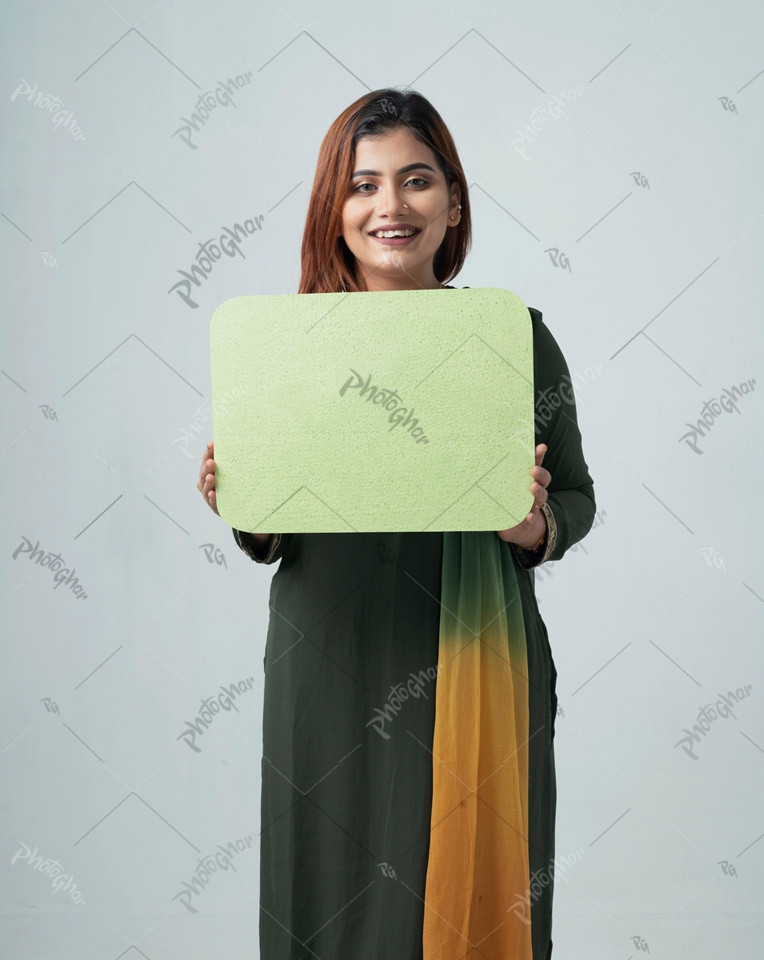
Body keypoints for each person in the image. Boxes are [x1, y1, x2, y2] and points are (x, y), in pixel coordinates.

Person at [197, 88, 596, 960]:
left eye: (416, 181)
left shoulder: (511, 339)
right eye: (363, 184)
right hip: (328, 654)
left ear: (452, 202)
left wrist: (533, 528)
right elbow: (269, 534)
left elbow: (576, 499)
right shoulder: (287, 346)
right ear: (333, 209)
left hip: (471, 647)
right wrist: (239, 496)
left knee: (471, 891)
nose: (391, 206)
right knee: (331, 885)